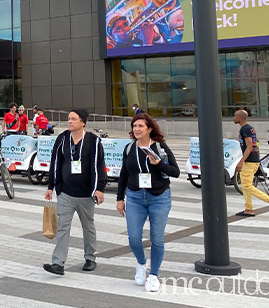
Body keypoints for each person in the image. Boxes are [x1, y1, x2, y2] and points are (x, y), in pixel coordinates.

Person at [116, 113, 180, 292]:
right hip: (135, 197)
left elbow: (175, 172)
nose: (136, 129)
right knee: (134, 238)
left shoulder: (160, 147)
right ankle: (141, 264)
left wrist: (158, 163)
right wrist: (120, 198)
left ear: (149, 128)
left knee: (157, 239)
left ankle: (154, 275)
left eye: (140, 126)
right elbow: (124, 174)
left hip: (159, 197)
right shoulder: (129, 148)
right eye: (134, 126)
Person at [43, 109, 106, 276]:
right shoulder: (62, 139)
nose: (69, 121)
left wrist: (99, 188)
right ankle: (58, 263)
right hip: (66, 193)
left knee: (88, 226)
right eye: (68, 119)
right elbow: (54, 163)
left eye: (73, 119)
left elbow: (99, 166)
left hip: (86, 194)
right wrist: (51, 186)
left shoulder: (93, 141)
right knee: (63, 226)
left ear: (82, 122)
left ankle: (90, 258)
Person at [233, 109, 269, 217]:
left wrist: (241, 161)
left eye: (235, 116)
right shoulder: (248, 128)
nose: (233, 118)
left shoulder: (245, 129)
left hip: (250, 161)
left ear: (240, 118)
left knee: (247, 186)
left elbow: (249, 147)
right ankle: (249, 209)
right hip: (253, 160)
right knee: (245, 186)